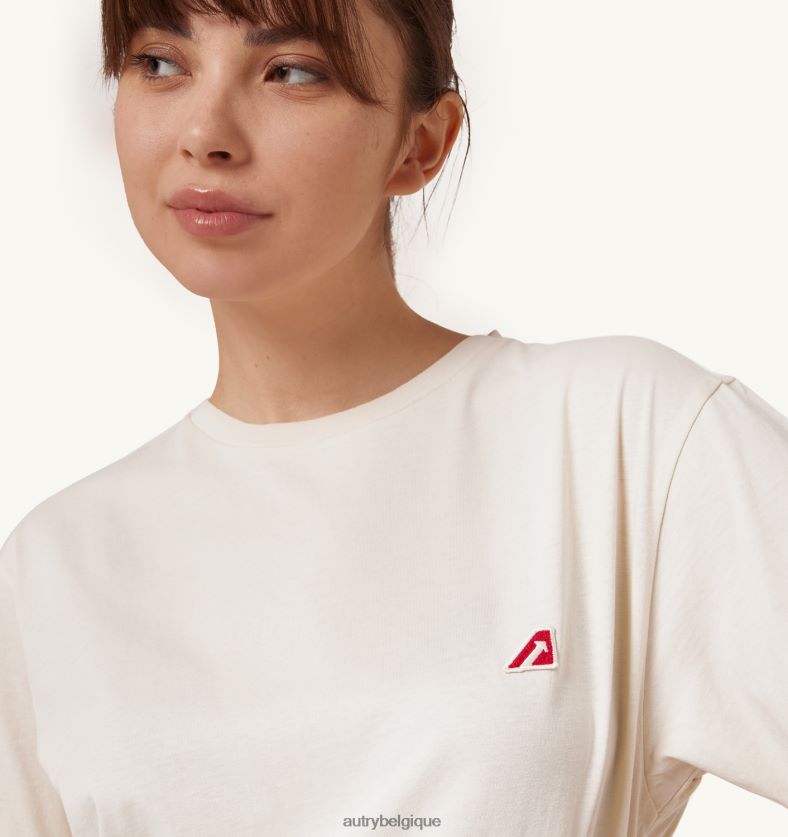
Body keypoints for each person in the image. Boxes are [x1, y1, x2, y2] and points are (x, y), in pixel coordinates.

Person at [1, 0, 786, 835]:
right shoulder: (55, 568)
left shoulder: (627, 442)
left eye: (292, 71)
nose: (206, 134)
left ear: (421, 145)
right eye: (160, 62)